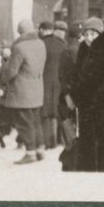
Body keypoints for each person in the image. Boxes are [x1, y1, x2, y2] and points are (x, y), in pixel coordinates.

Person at [66, 17, 104, 172]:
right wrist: (74, 89)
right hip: (87, 107)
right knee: (88, 141)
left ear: (100, 34)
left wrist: (78, 92)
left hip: (100, 106)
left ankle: (103, 172)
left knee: (102, 142)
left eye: (93, 34)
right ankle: (90, 171)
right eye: (87, 34)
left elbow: (99, 81)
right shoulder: (84, 49)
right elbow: (79, 74)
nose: (89, 38)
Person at [0, 19, 47, 165]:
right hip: (37, 88)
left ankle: (30, 153)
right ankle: (40, 150)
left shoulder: (19, 47)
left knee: (24, 123)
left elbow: (12, 71)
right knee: (36, 121)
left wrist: (4, 70)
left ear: (19, 31)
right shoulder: (41, 44)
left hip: (22, 91)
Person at [39, 21, 65, 150]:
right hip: (59, 82)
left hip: (44, 80)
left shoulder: (41, 43)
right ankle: (55, 140)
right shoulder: (62, 44)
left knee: (45, 111)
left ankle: (46, 141)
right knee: (55, 110)